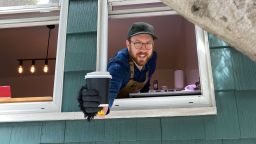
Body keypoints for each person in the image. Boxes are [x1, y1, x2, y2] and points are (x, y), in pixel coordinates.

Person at [78, 22, 158, 120]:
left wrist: (145, 99)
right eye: (137, 43)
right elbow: (109, 90)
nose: (144, 49)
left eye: (148, 43)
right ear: (128, 44)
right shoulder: (119, 66)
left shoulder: (152, 58)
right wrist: (100, 107)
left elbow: (146, 81)